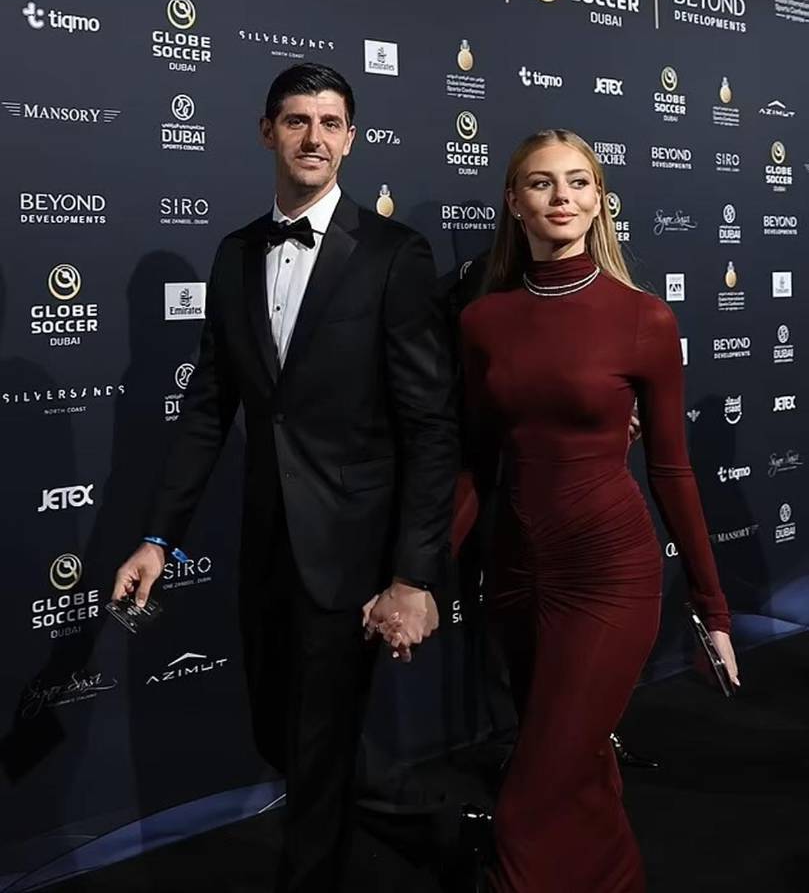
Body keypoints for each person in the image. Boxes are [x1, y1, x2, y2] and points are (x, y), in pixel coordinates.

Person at [112, 63, 458, 893]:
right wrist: (159, 536)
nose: (314, 138)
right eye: (296, 121)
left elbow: (430, 425)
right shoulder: (234, 254)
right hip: (265, 538)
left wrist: (412, 574)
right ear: (267, 132)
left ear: (351, 137)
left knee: (315, 742)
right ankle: (437, 834)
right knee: (281, 730)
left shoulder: (393, 256)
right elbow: (207, 410)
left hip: (352, 547)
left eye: (330, 122)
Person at [456, 129, 739, 892]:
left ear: (598, 201)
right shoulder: (484, 322)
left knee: (525, 805)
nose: (561, 199)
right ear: (513, 203)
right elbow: (474, 467)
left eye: (578, 183)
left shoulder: (643, 319)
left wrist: (711, 608)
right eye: (542, 184)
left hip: (609, 575)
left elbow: (673, 469)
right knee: (578, 779)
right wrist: (416, 576)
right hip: (515, 575)